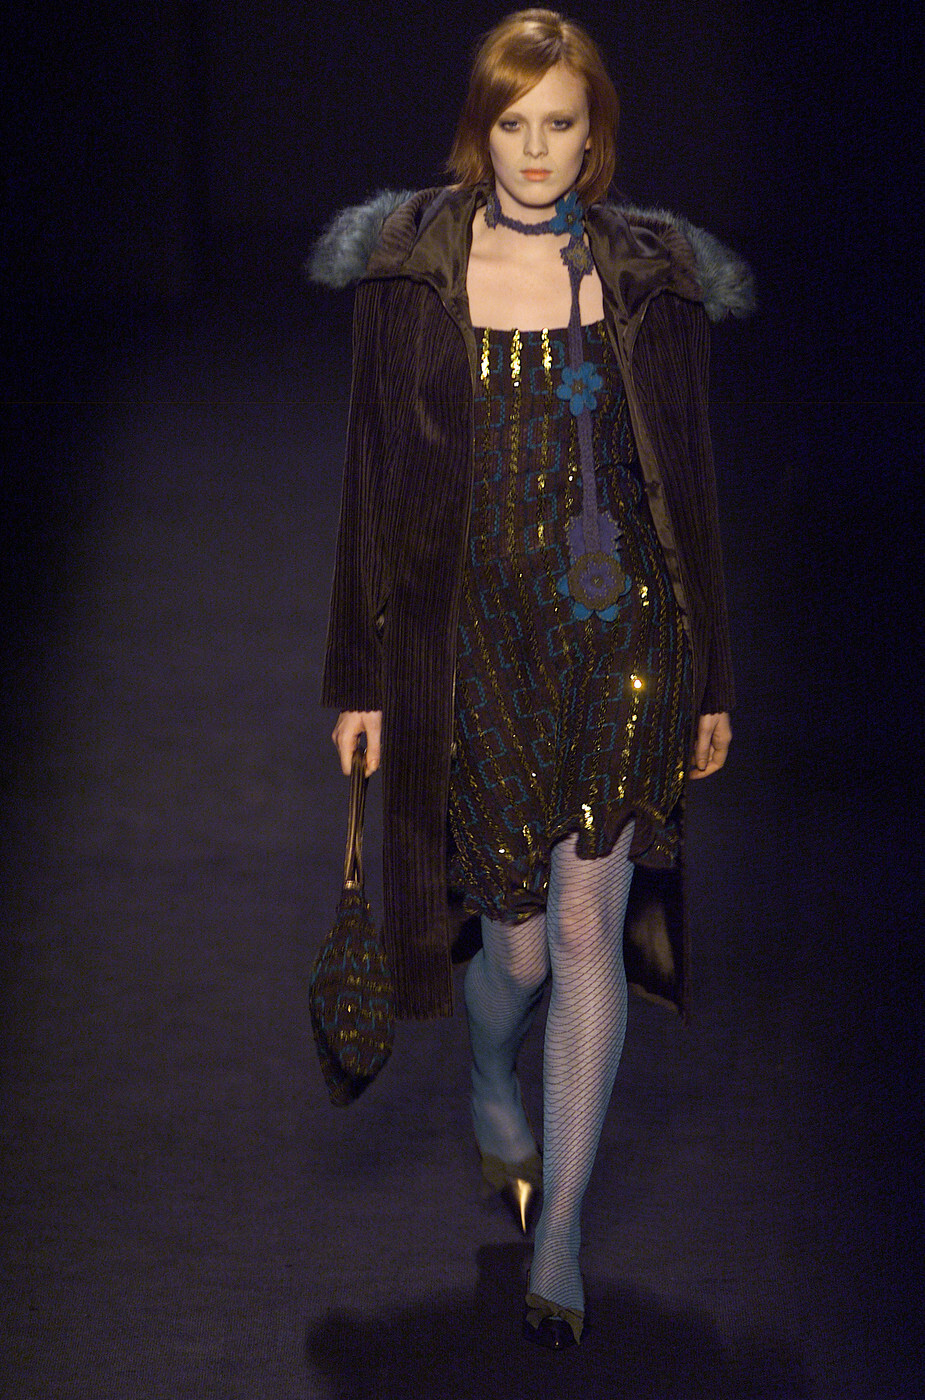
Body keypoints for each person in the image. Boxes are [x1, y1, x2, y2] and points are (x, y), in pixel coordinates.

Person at [308, 7, 752, 1350]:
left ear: (594, 130)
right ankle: (490, 1065)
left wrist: (711, 680)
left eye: (562, 122)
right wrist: (358, 676)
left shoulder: (652, 273)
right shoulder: (410, 268)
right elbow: (370, 479)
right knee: (510, 940)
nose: (539, 148)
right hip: (474, 641)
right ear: (480, 128)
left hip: (622, 646)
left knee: (585, 929)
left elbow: (690, 482)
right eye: (515, 123)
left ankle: (558, 1230)